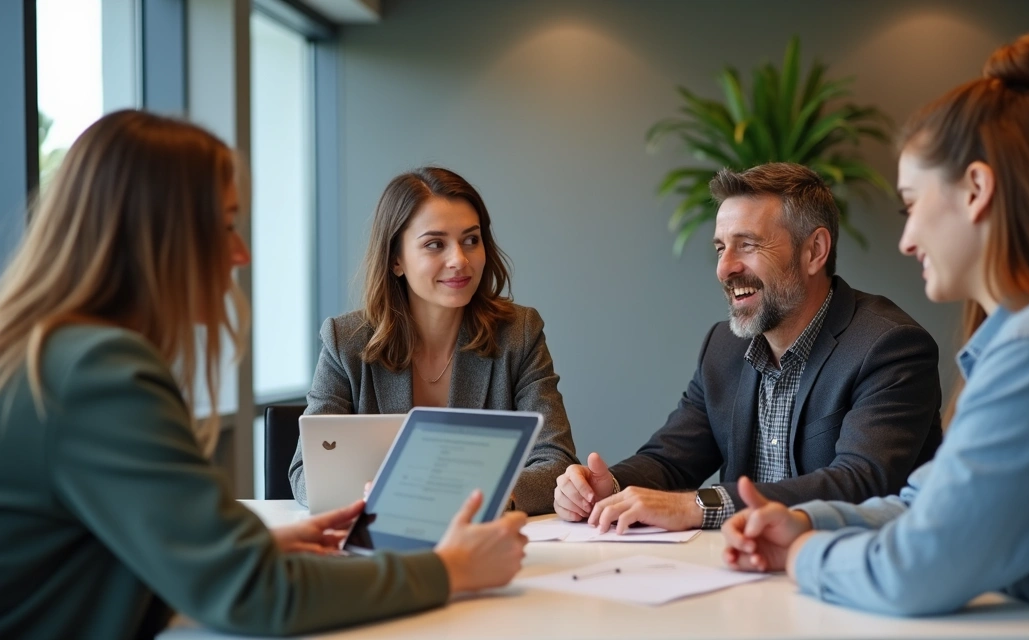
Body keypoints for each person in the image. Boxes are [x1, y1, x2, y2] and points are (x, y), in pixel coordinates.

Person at [720, 35, 1029, 639]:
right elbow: (927, 508)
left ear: (976, 190)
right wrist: (806, 523)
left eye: (910, 205)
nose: (905, 241)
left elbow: (916, 569)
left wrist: (799, 557)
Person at [0, 111, 528, 638]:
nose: (241, 253)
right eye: (226, 225)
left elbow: (92, 553)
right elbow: (256, 596)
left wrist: (242, 548)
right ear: (156, 233)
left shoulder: (49, 354)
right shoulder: (98, 375)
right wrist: (451, 568)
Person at [555, 162, 943, 532]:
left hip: (849, 579)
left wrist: (699, 505)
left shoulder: (889, 346)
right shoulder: (722, 347)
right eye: (721, 247)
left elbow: (859, 484)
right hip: (744, 574)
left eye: (747, 245)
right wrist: (608, 488)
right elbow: (670, 460)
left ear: (814, 251)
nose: (725, 268)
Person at [288, 167, 577, 515]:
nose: (459, 259)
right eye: (435, 244)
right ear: (396, 260)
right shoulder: (345, 340)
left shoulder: (519, 333)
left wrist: (489, 500)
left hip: (482, 541)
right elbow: (306, 474)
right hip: (382, 544)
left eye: (471, 239)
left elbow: (556, 460)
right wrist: (377, 496)